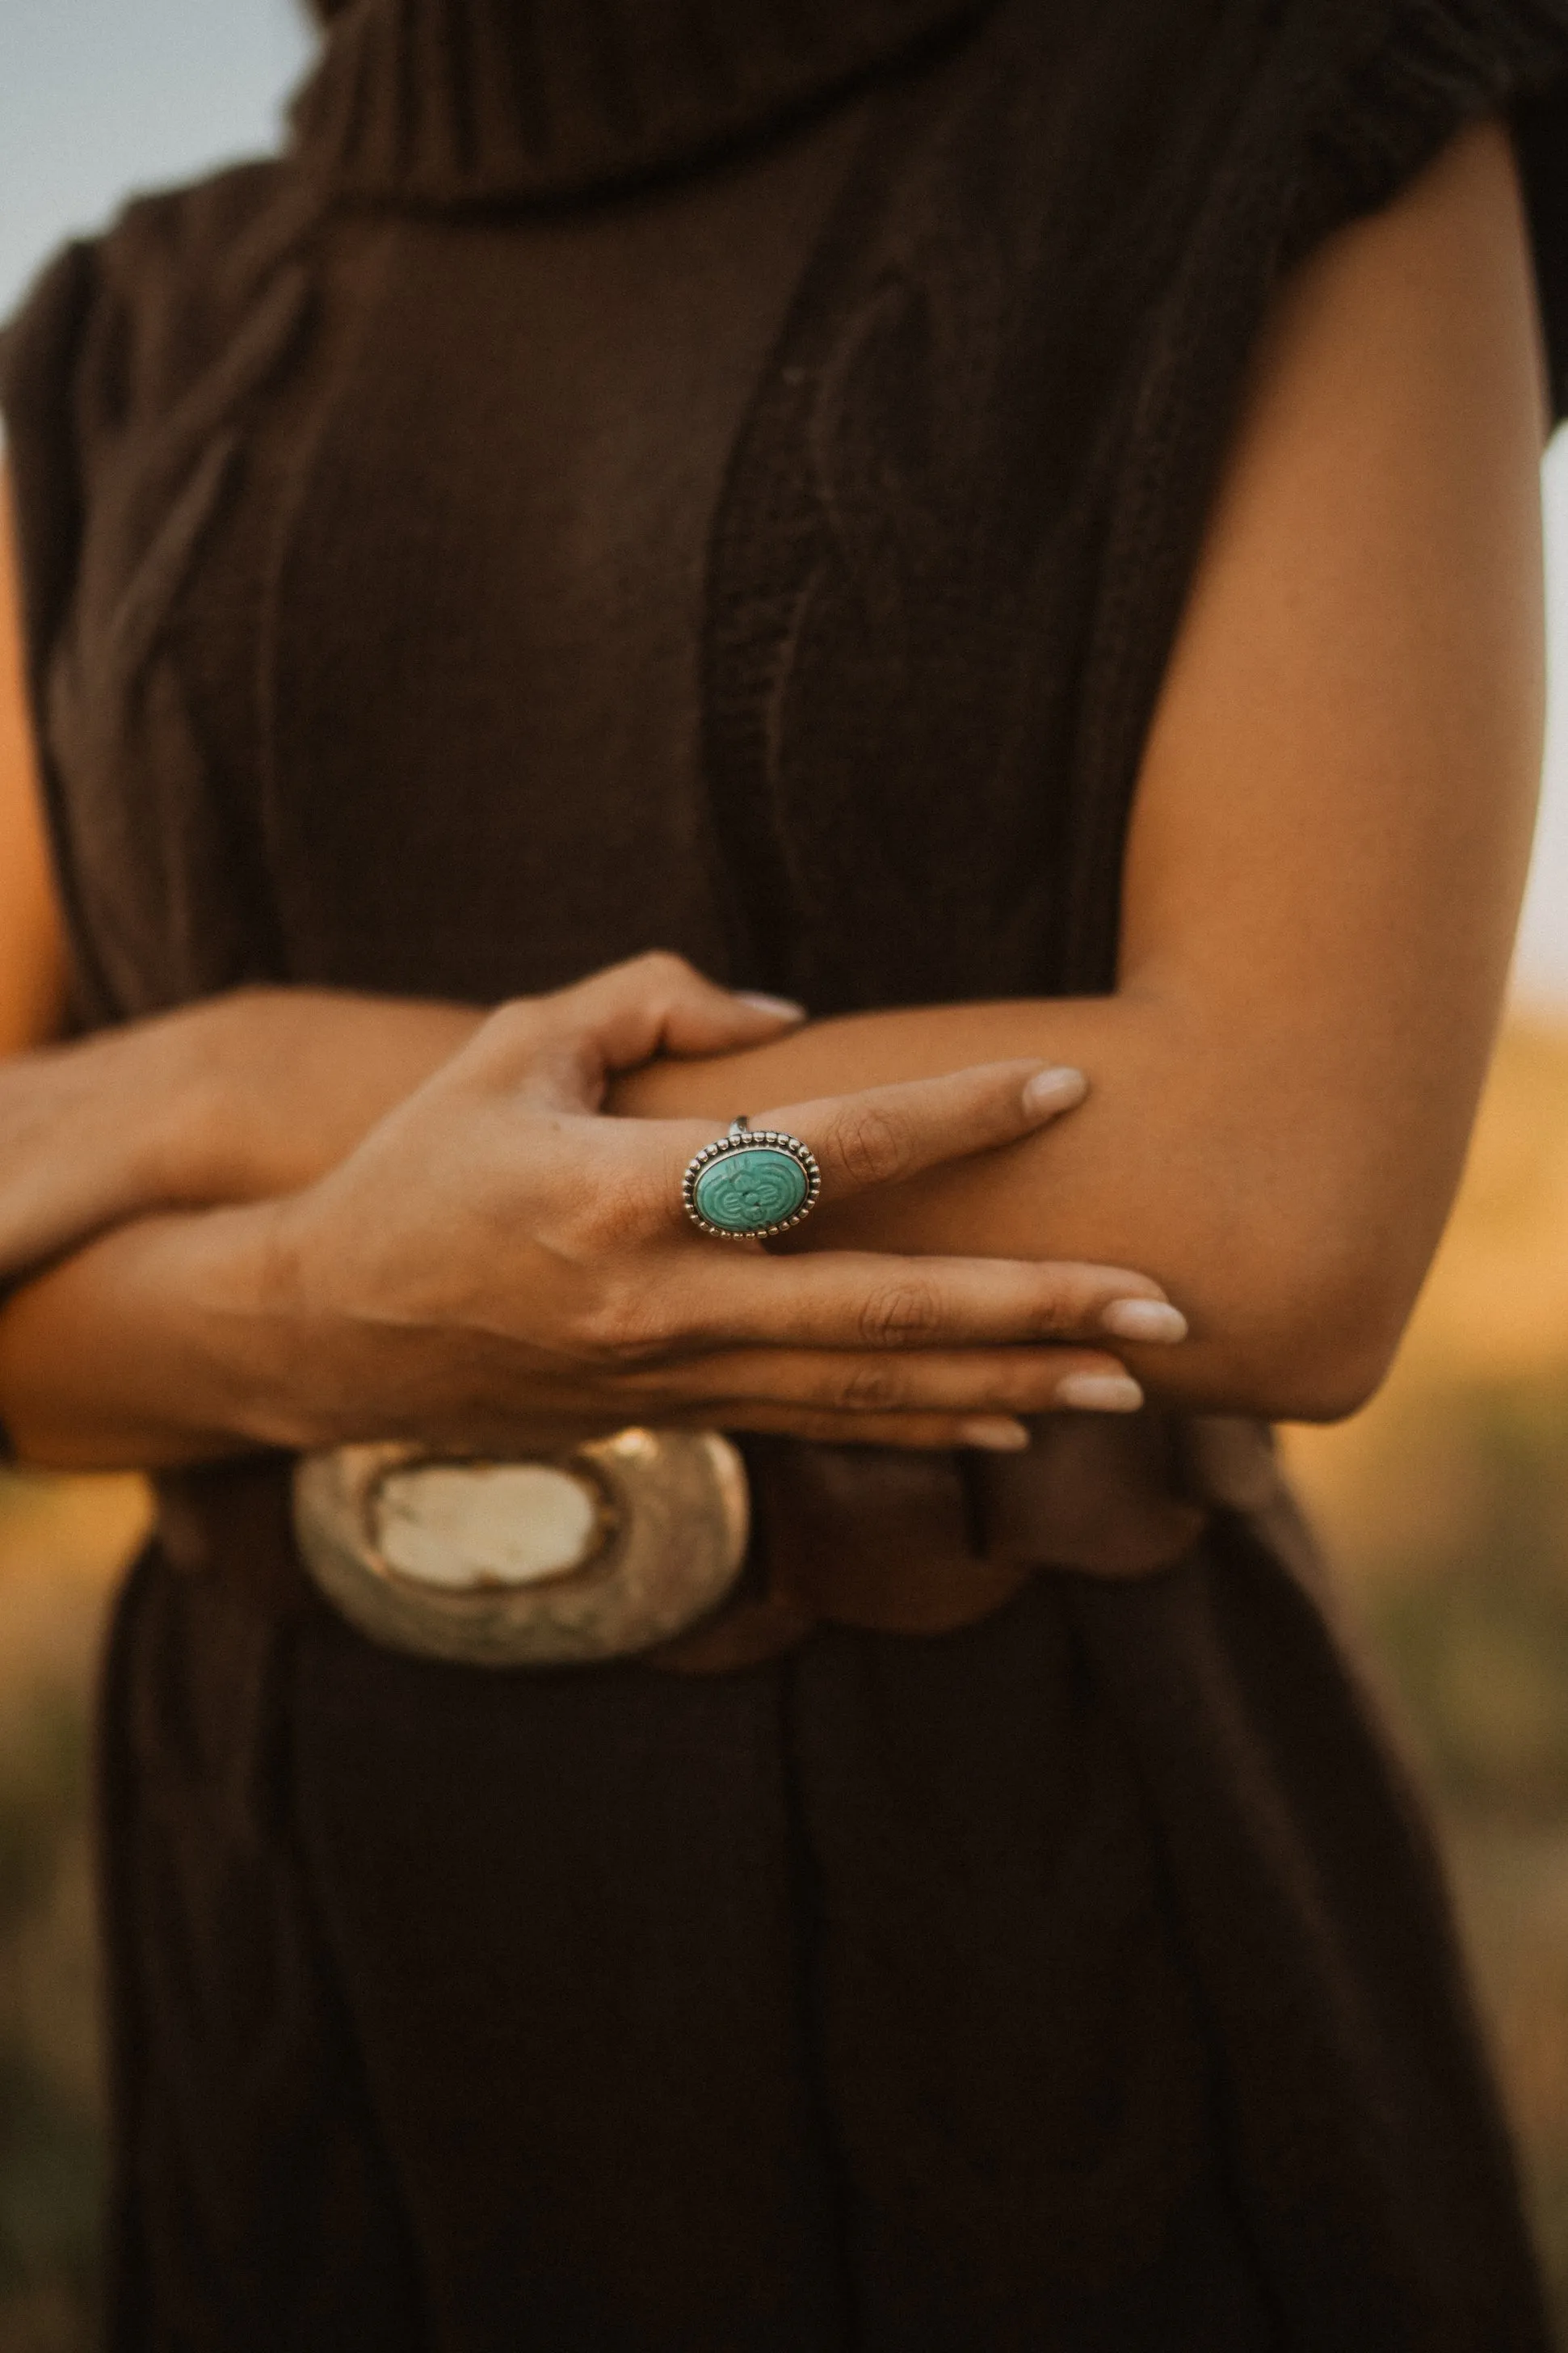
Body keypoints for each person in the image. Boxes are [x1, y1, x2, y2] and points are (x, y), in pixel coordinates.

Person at [2, 0, 1567, 2342]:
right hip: (307, 1962)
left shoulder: (1294, 113)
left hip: (1055, 1942)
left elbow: (1272, 1198)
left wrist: (230, 1086)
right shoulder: (114, 339)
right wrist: (329, 1311)